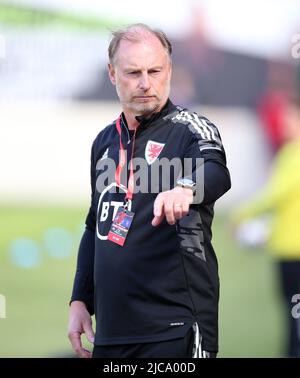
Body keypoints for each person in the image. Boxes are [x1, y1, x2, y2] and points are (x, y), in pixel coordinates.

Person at [68, 23, 231, 358]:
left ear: (168, 70)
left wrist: (186, 189)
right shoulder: (104, 142)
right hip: (111, 336)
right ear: (112, 74)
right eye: (133, 72)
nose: (146, 83)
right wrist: (80, 300)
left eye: (155, 70)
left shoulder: (190, 130)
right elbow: (93, 227)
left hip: (175, 331)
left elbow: (216, 171)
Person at [232, 97, 300, 357]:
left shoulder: (295, 154)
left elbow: (275, 194)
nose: (284, 124)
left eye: (290, 118)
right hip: (285, 249)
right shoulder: (288, 152)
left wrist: (241, 213)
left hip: (294, 253)